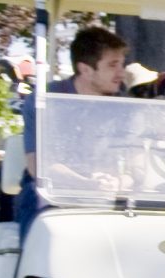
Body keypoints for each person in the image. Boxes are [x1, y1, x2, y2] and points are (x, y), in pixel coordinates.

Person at [16, 25, 129, 234]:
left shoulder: (123, 106)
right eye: (113, 65)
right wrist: (87, 184)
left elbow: (136, 164)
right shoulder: (45, 101)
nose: (121, 73)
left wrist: (120, 181)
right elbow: (38, 165)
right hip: (53, 191)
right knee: (42, 225)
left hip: (107, 191)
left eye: (121, 64)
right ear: (85, 69)